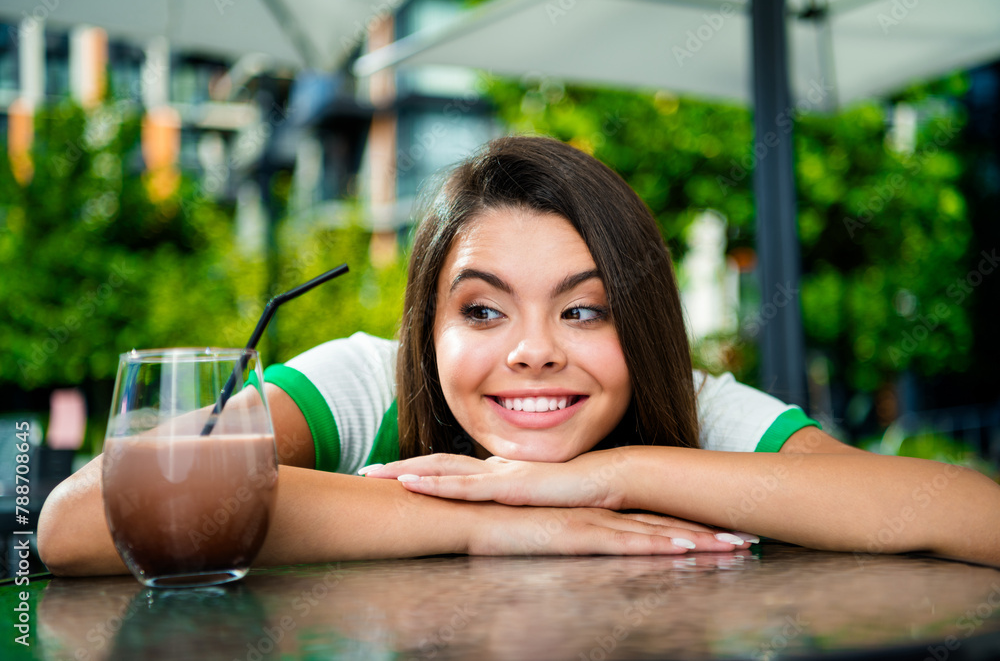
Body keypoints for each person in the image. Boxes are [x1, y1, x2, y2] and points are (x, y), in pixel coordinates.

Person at [38, 136, 1000, 575]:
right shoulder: (364, 378)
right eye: (484, 311)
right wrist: (490, 523)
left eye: (583, 311)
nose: (534, 352)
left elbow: (970, 515)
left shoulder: (695, 405)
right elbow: (81, 522)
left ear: (644, 324)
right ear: (428, 328)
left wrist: (610, 476)